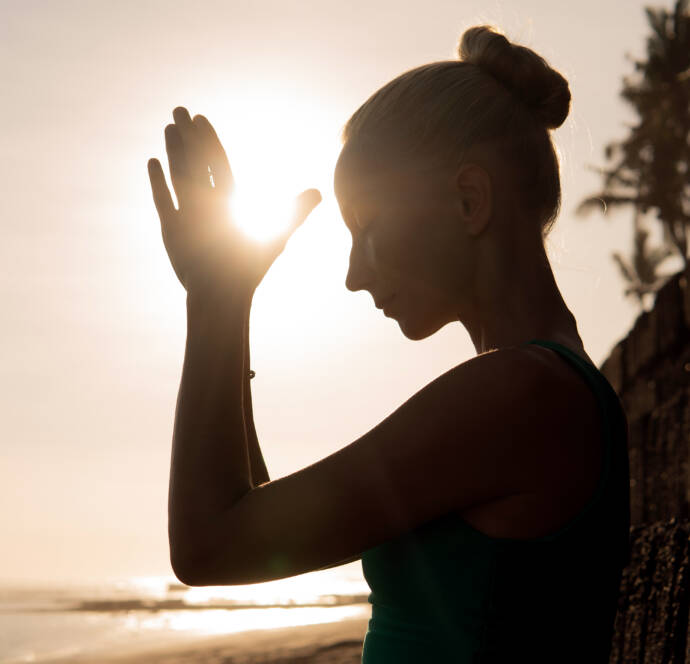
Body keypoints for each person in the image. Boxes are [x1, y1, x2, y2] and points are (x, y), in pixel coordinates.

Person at [146, 24, 629, 664]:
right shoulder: (540, 391)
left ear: (468, 200)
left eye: (366, 228)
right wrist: (228, 305)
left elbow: (209, 545)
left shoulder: (520, 396)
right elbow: (262, 526)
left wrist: (215, 300)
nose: (354, 275)